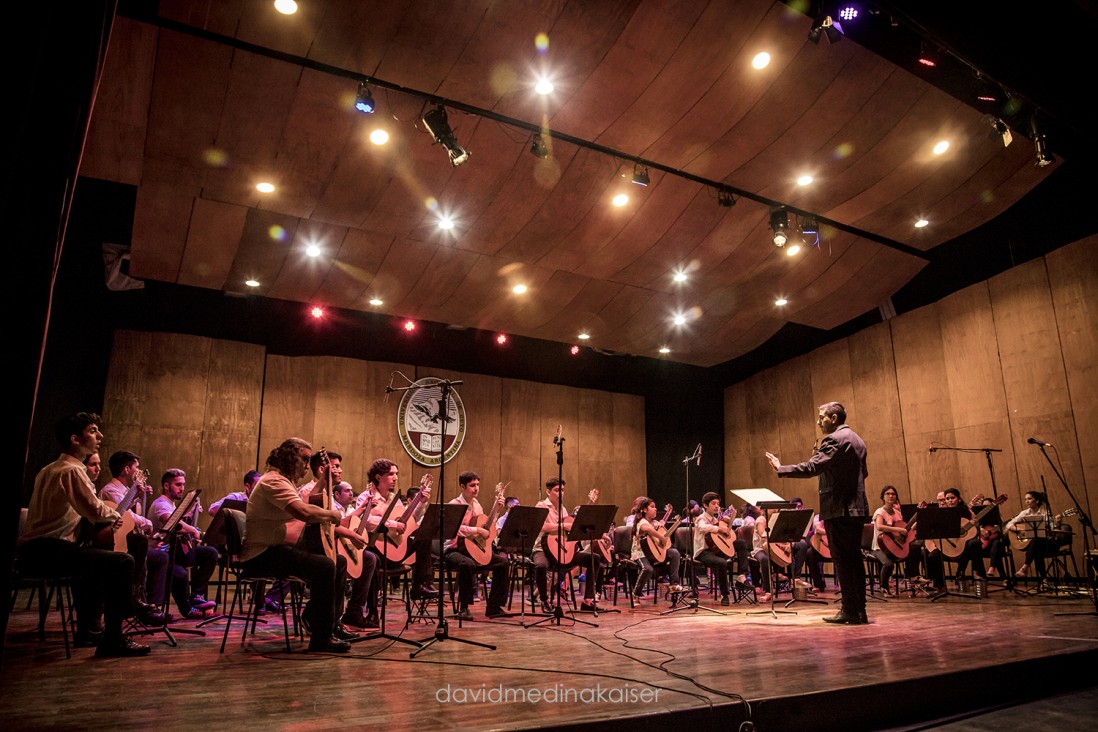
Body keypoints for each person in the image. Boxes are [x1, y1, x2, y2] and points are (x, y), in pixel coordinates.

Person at [17, 412, 150, 656]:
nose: (99, 435)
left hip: (33, 551)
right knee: (122, 560)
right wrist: (120, 516)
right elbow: (96, 511)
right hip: (50, 550)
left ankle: (90, 629)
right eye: (92, 431)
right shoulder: (72, 471)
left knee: (99, 559)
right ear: (75, 439)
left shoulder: (49, 468)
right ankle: (113, 638)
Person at [241, 437, 356, 652]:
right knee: (324, 566)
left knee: (337, 561)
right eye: (303, 459)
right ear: (290, 458)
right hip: (261, 555)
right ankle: (320, 639)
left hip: (275, 550)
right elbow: (302, 512)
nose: (306, 464)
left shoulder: (284, 482)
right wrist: (332, 515)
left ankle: (322, 622)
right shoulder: (273, 481)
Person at [767, 401, 869, 625]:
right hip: (857, 507)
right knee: (854, 560)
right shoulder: (858, 440)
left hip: (839, 508)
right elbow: (864, 474)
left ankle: (849, 610)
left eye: (821, 417)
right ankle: (859, 610)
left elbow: (813, 467)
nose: (818, 421)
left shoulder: (834, 440)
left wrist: (781, 468)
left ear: (833, 419)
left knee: (843, 561)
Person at [97, 450, 168, 625]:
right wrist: (146, 522)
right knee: (143, 548)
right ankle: (135, 602)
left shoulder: (125, 491)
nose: (139, 471)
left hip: (129, 542)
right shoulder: (110, 490)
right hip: (116, 545)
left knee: (159, 557)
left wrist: (138, 496)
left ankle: (150, 605)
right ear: (126, 469)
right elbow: (124, 515)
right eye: (136, 467)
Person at [358, 458, 437, 601]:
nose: (396, 478)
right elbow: (366, 521)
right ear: (378, 477)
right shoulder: (367, 496)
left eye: (397, 474)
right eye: (391, 474)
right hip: (376, 550)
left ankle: (419, 585)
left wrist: (421, 503)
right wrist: (394, 524)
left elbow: (409, 520)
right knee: (372, 558)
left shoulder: (394, 498)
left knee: (423, 535)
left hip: (395, 550)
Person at [149, 469, 219, 618]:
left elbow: (178, 520)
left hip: (175, 551)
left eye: (183, 484)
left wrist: (191, 514)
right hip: (161, 554)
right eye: (178, 484)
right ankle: (186, 609)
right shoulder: (161, 503)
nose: (182, 488)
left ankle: (197, 595)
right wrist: (193, 530)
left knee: (210, 553)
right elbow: (171, 522)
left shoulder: (172, 505)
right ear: (166, 486)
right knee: (180, 573)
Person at [443, 471, 514, 620]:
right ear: (462, 486)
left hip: (473, 549)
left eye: (478, 485)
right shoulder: (454, 505)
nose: (476, 488)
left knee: (502, 562)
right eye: (472, 485)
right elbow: (454, 528)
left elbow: (486, 527)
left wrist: (496, 510)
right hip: (454, 549)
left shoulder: (477, 505)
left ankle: (494, 606)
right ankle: (464, 608)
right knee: (466, 564)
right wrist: (477, 530)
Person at [533, 477, 605, 612]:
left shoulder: (563, 509)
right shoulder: (541, 506)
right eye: (557, 490)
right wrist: (563, 525)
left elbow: (572, 528)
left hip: (561, 550)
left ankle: (587, 600)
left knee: (594, 558)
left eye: (563, 490)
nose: (561, 493)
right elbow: (541, 526)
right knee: (541, 566)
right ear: (548, 492)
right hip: (542, 549)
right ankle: (544, 600)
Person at [333, 481, 380, 629]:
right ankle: (334, 615)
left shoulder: (351, 509)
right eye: (347, 491)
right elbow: (338, 524)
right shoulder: (333, 507)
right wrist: (362, 509)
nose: (351, 493)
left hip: (347, 548)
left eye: (352, 490)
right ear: (336, 494)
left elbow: (357, 529)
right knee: (341, 562)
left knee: (371, 558)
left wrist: (365, 511)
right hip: (334, 548)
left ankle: (355, 609)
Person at [629, 497, 684, 601]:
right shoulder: (641, 522)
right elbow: (647, 529)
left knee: (674, 553)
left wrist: (665, 538)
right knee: (648, 569)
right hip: (640, 554)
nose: (655, 509)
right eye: (652, 507)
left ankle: (674, 584)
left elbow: (664, 535)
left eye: (655, 507)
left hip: (655, 553)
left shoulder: (655, 523)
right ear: (644, 510)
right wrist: (661, 537)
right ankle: (636, 592)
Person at [1005, 490, 1063, 583]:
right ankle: (1043, 579)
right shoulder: (1024, 513)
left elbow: (1053, 529)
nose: (1027, 501)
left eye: (1029, 499)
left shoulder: (1045, 513)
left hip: (1047, 543)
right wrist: (1019, 530)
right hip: (1034, 544)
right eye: (1025, 499)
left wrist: (1058, 522)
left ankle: (1025, 569)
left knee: (1036, 544)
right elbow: (1008, 524)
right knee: (1036, 545)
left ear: (1037, 501)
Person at [869, 486, 907, 595]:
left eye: (893, 494)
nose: (891, 496)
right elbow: (880, 527)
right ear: (883, 497)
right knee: (889, 564)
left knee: (914, 547)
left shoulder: (897, 512)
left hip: (893, 546)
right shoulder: (880, 511)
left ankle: (913, 576)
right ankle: (883, 587)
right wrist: (898, 529)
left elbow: (902, 529)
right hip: (878, 547)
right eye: (887, 493)